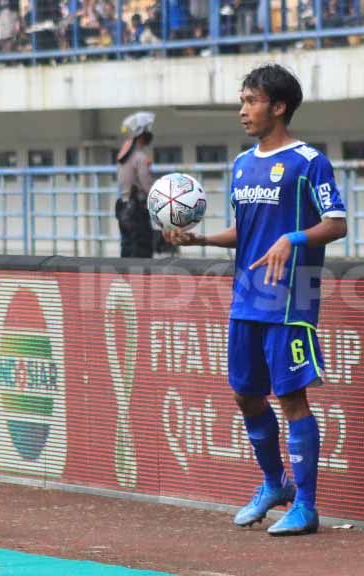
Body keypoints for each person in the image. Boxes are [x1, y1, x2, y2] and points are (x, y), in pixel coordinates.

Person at [165, 64, 347, 536]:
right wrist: (201, 240)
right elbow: (245, 232)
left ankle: (306, 507)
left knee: (291, 398)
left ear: (278, 106)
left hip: (290, 300)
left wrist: (293, 237)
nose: (242, 110)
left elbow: (337, 222)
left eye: (251, 100)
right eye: (242, 101)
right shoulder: (242, 165)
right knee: (245, 394)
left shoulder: (310, 162)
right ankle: (275, 484)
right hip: (245, 297)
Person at [115, 111, 156, 258]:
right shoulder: (140, 157)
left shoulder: (123, 156)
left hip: (123, 209)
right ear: (142, 132)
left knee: (127, 250)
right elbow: (147, 187)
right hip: (137, 212)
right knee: (142, 251)